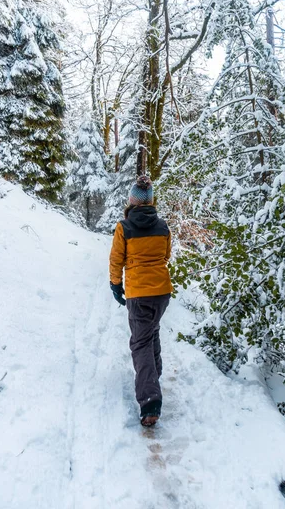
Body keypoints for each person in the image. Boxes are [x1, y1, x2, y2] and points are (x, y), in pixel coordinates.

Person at [109, 175, 173, 427]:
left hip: (139, 293)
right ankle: (153, 377)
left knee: (140, 342)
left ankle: (149, 401)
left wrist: (116, 284)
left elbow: (116, 259)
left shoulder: (124, 227)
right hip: (162, 292)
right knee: (151, 333)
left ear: (132, 201)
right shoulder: (163, 227)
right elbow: (166, 255)